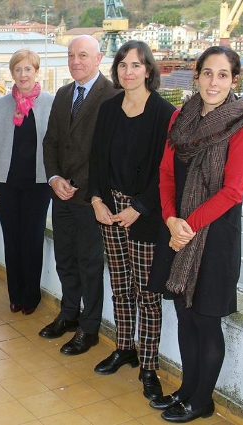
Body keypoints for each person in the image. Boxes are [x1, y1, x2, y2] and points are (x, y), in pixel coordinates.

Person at [147, 45, 243, 423]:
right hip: (177, 230)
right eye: (208, 73)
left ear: (234, 80)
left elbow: (233, 191)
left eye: (223, 75)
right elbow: (166, 174)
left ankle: (202, 399)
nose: (214, 82)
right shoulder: (180, 118)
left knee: (205, 318)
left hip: (214, 236)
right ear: (196, 75)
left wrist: (188, 226)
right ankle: (186, 389)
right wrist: (170, 220)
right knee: (183, 315)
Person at [86, 40, 176, 400]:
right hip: (110, 210)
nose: (128, 71)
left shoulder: (164, 113)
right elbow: (96, 161)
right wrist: (95, 199)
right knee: (120, 285)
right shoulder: (108, 110)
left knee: (148, 294)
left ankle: (149, 366)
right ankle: (125, 347)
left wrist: (139, 206)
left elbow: (165, 173)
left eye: (136, 65)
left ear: (149, 71)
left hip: (144, 214)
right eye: (123, 64)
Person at [40, 35, 120, 355]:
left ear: (99, 58)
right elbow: (50, 143)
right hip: (61, 196)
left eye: (83, 55)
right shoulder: (62, 94)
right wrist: (55, 177)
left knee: (89, 265)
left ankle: (89, 329)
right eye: (71, 55)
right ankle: (69, 315)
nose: (76, 61)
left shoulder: (112, 96)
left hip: (92, 200)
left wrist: (79, 183)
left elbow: (109, 153)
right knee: (65, 260)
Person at [0, 49, 54, 315]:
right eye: (18, 70)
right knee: (11, 239)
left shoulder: (50, 103)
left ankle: (30, 297)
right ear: (12, 74)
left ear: (36, 72)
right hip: (6, 183)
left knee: (32, 239)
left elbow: (57, 144)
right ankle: (16, 295)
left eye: (28, 69)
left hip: (39, 183)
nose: (23, 74)